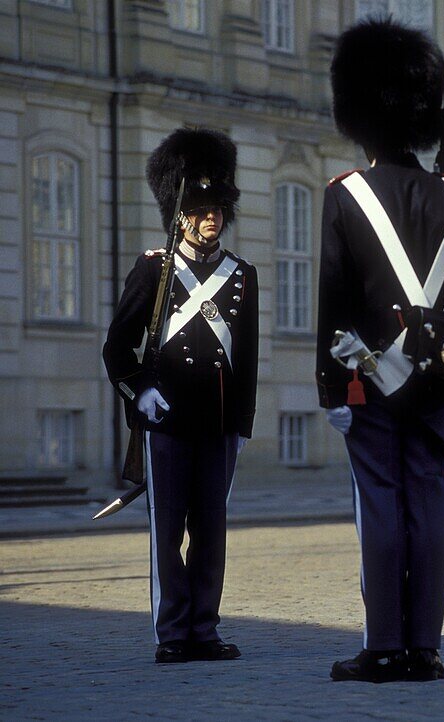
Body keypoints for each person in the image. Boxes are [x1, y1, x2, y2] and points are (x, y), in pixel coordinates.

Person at [318, 18, 444, 683]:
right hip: (431, 382)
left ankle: (382, 646)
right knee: (426, 504)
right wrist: (438, 330)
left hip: (370, 379)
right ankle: (424, 648)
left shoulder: (346, 195)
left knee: (381, 505)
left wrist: (331, 389)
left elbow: (333, 303)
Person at [103, 128, 256, 664]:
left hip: (216, 425)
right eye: (200, 206)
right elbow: (117, 347)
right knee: (167, 532)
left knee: (210, 532)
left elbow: (247, 361)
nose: (211, 216)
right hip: (166, 423)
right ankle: (172, 632)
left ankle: (204, 629)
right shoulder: (154, 269)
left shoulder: (242, 276)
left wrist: (242, 426)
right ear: (180, 212)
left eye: (217, 206)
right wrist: (138, 393)